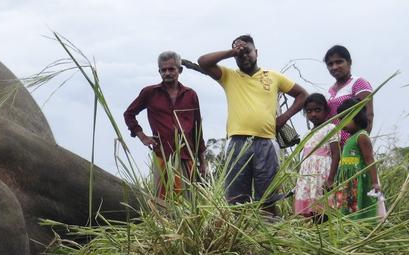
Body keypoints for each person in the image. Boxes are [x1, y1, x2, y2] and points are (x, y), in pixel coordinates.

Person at [197, 35, 307, 215]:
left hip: (266, 143)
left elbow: (302, 94)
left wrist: (284, 118)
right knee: (236, 199)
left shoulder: (273, 77)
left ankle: (270, 233)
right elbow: (203, 61)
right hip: (237, 144)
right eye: (239, 54)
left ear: (256, 52)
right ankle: (240, 238)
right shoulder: (229, 76)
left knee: (268, 198)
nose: (244, 56)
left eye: (247, 51)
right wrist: (232, 51)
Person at [124, 51, 206, 198]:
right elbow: (129, 114)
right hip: (162, 155)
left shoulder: (190, 95)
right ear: (159, 71)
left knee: (188, 201)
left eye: (171, 69)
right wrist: (143, 137)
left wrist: (203, 162)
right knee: (162, 201)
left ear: (179, 70)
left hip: (186, 157)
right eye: (163, 70)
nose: (167, 73)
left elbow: (197, 128)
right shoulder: (150, 93)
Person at [293, 93, 340, 222]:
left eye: (317, 110)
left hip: (322, 175)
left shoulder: (330, 128)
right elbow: (305, 157)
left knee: (323, 208)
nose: (313, 114)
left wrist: (331, 178)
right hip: (308, 177)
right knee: (310, 209)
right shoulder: (307, 134)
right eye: (309, 111)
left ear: (326, 110)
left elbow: (336, 154)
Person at [334, 98, 381, 220]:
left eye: (345, 119)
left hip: (356, 179)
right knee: (345, 209)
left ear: (357, 116)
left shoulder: (361, 136)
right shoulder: (350, 138)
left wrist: (375, 182)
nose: (341, 124)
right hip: (346, 180)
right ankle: (347, 230)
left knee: (356, 207)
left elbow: (369, 160)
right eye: (340, 120)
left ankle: (358, 231)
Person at [323, 45, 374, 146]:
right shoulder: (329, 91)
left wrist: (358, 144)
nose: (334, 67)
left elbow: (368, 115)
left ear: (349, 62)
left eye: (339, 62)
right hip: (334, 148)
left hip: (352, 145)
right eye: (330, 64)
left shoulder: (358, 83)